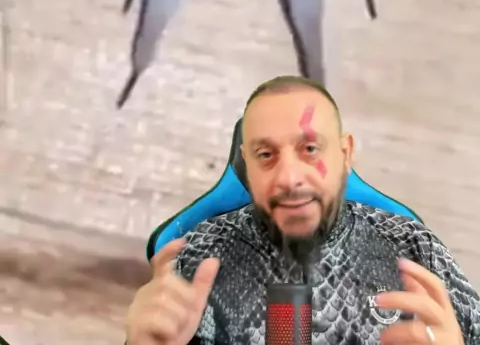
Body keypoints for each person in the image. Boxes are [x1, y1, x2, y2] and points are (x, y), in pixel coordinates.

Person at [125, 75, 480, 344]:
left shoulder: (412, 247)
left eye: (309, 149)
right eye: (266, 155)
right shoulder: (200, 256)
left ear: (345, 154)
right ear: (247, 164)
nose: (289, 178)